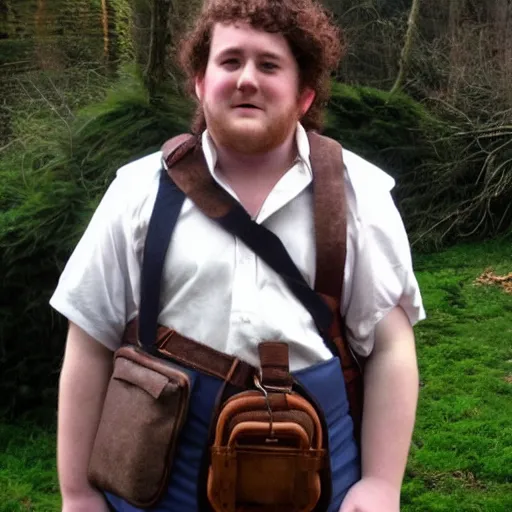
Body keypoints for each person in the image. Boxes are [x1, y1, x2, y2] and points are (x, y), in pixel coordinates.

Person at [51, 0, 425, 511]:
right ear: (201, 85)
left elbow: (390, 346)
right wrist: (77, 493)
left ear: (305, 93)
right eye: (229, 62)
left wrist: (382, 484)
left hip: (321, 488)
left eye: (269, 65)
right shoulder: (136, 192)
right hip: (159, 490)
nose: (247, 78)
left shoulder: (359, 194)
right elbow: (89, 341)